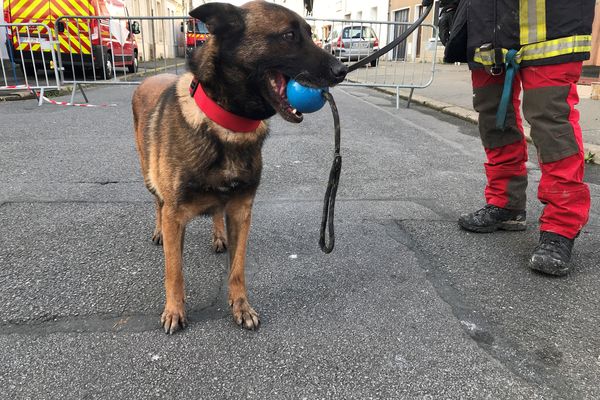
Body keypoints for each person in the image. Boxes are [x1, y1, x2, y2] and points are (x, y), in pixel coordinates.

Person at [422, 0, 596, 276]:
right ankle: (506, 203)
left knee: (550, 119)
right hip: (487, 20)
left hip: (554, 19)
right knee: (493, 116)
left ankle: (561, 226)